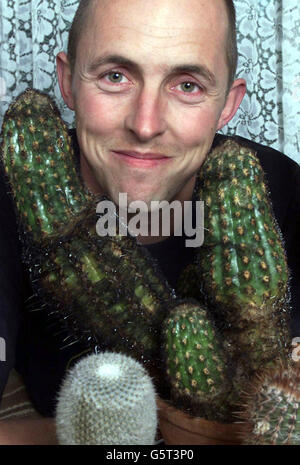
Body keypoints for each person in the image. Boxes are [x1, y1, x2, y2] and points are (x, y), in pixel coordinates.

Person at [0, 0, 299, 444]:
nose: (145, 124)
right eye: (115, 76)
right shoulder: (19, 185)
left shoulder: (283, 192)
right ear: (66, 82)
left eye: (187, 85)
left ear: (228, 105)